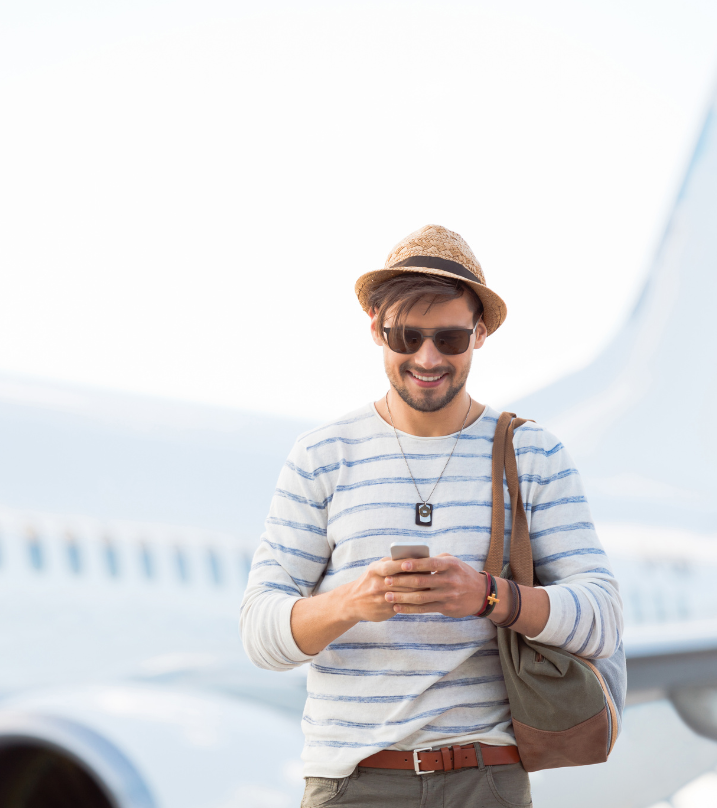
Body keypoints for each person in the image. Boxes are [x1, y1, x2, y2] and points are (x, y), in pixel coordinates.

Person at [240, 224, 622, 808]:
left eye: (449, 339)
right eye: (406, 336)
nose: (427, 358)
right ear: (375, 328)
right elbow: (261, 636)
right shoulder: (322, 456)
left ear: (480, 334)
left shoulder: (533, 454)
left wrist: (488, 596)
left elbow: (604, 617)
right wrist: (351, 602)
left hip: (485, 778)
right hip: (352, 783)